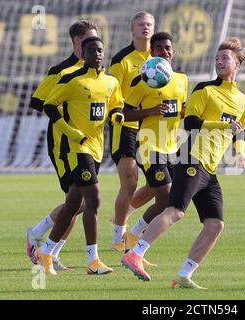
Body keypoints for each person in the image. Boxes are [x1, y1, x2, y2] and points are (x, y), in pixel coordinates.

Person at [121, 38, 245, 289]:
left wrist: (240, 151)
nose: (219, 62)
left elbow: (240, 131)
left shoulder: (243, 101)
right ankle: (135, 252)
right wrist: (223, 125)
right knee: (176, 210)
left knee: (215, 224)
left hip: (210, 169)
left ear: (237, 64)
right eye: (217, 58)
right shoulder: (204, 90)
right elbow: (190, 123)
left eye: (225, 58)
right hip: (191, 158)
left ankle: (184, 274)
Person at [36, 36, 125, 275]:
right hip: (78, 149)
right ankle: (93, 261)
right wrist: (71, 132)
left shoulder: (110, 81)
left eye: (100, 50)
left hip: (97, 148)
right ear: (82, 54)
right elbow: (49, 105)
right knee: (94, 201)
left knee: (74, 204)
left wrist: (117, 115)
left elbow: (117, 104)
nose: (96, 54)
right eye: (91, 50)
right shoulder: (71, 79)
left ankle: (46, 251)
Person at [26, 20, 98, 271]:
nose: (95, 46)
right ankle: (40, 236)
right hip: (63, 144)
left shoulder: (95, 70)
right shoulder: (61, 70)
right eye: (89, 39)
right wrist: (65, 104)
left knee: (79, 202)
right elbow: (38, 101)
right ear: (77, 41)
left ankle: (49, 248)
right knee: (80, 201)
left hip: (89, 144)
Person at [123, 32, 188, 254]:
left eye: (167, 48)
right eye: (159, 48)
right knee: (168, 199)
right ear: (152, 52)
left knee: (165, 202)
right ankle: (134, 240)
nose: (164, 51)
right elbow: (124, 112)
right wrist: (149, 111)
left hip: (171, 146)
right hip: (149, 146)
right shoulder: (144, 80)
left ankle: (132, 236)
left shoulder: (182, 79)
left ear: (173, 52)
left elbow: (181, 111)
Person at [108, 11, 156, 253]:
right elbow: (111, 94)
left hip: (151, 127)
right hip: (125, 125)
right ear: (132, 29)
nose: (145, 28)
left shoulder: (158, 59)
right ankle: (119, 237)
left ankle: (121, 216)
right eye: (141, 24)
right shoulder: (122, 60)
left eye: (149, 24)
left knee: (159, 185)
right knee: (130, 181)